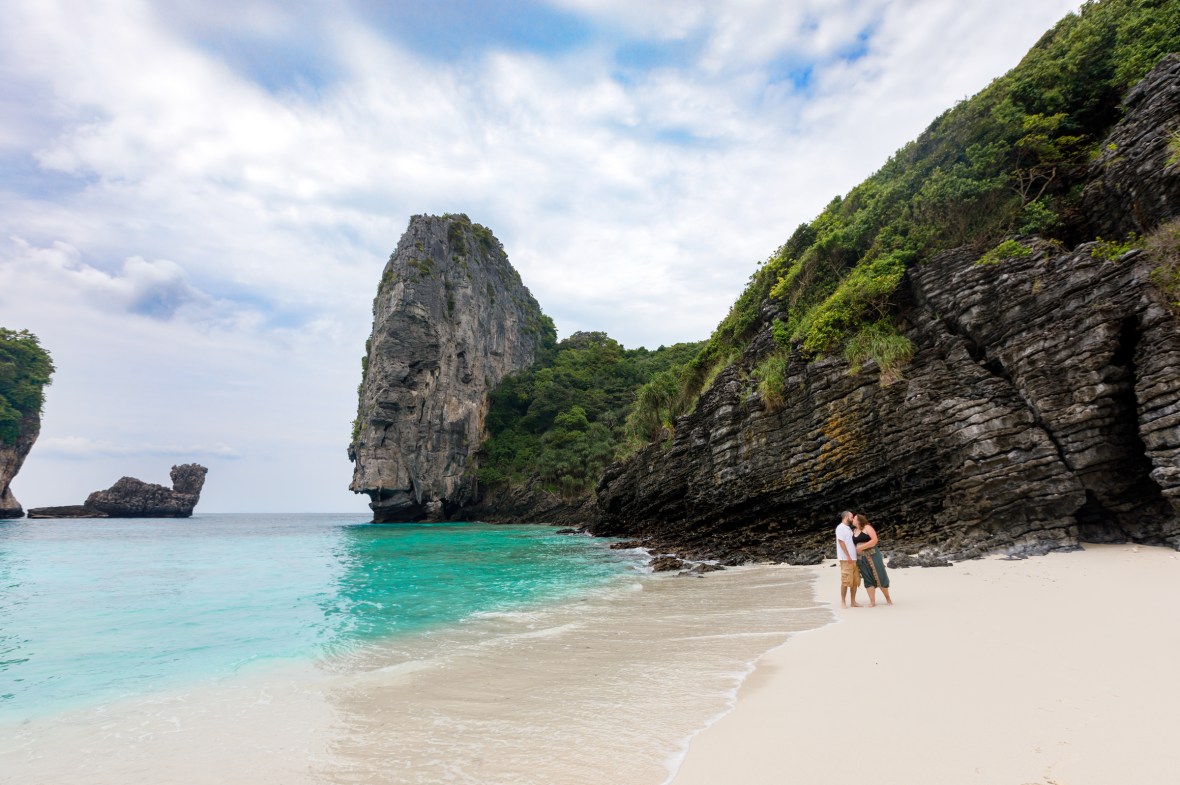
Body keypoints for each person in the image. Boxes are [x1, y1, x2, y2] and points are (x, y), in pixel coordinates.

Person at [852, 513, 892, 606]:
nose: (852, 520)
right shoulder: (854, 531)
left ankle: (888, 599)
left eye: (854, 518)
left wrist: (861, 547)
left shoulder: (867, 528)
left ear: (859, 520)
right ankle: (872, 602)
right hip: (861, 558)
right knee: (867, 578)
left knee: (880, 575)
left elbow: (874, 540)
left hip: (873, 555)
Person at [835, 510, 860, 608]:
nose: (853, 518)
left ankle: (853, 602)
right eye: (851, 517)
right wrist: (848, 556)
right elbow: (841, 542)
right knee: (845, 581)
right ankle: (843, 601)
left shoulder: (849, 529)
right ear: (846, 517)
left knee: (855, 582)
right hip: (846, 559)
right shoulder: (840, 528)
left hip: (854, 559)